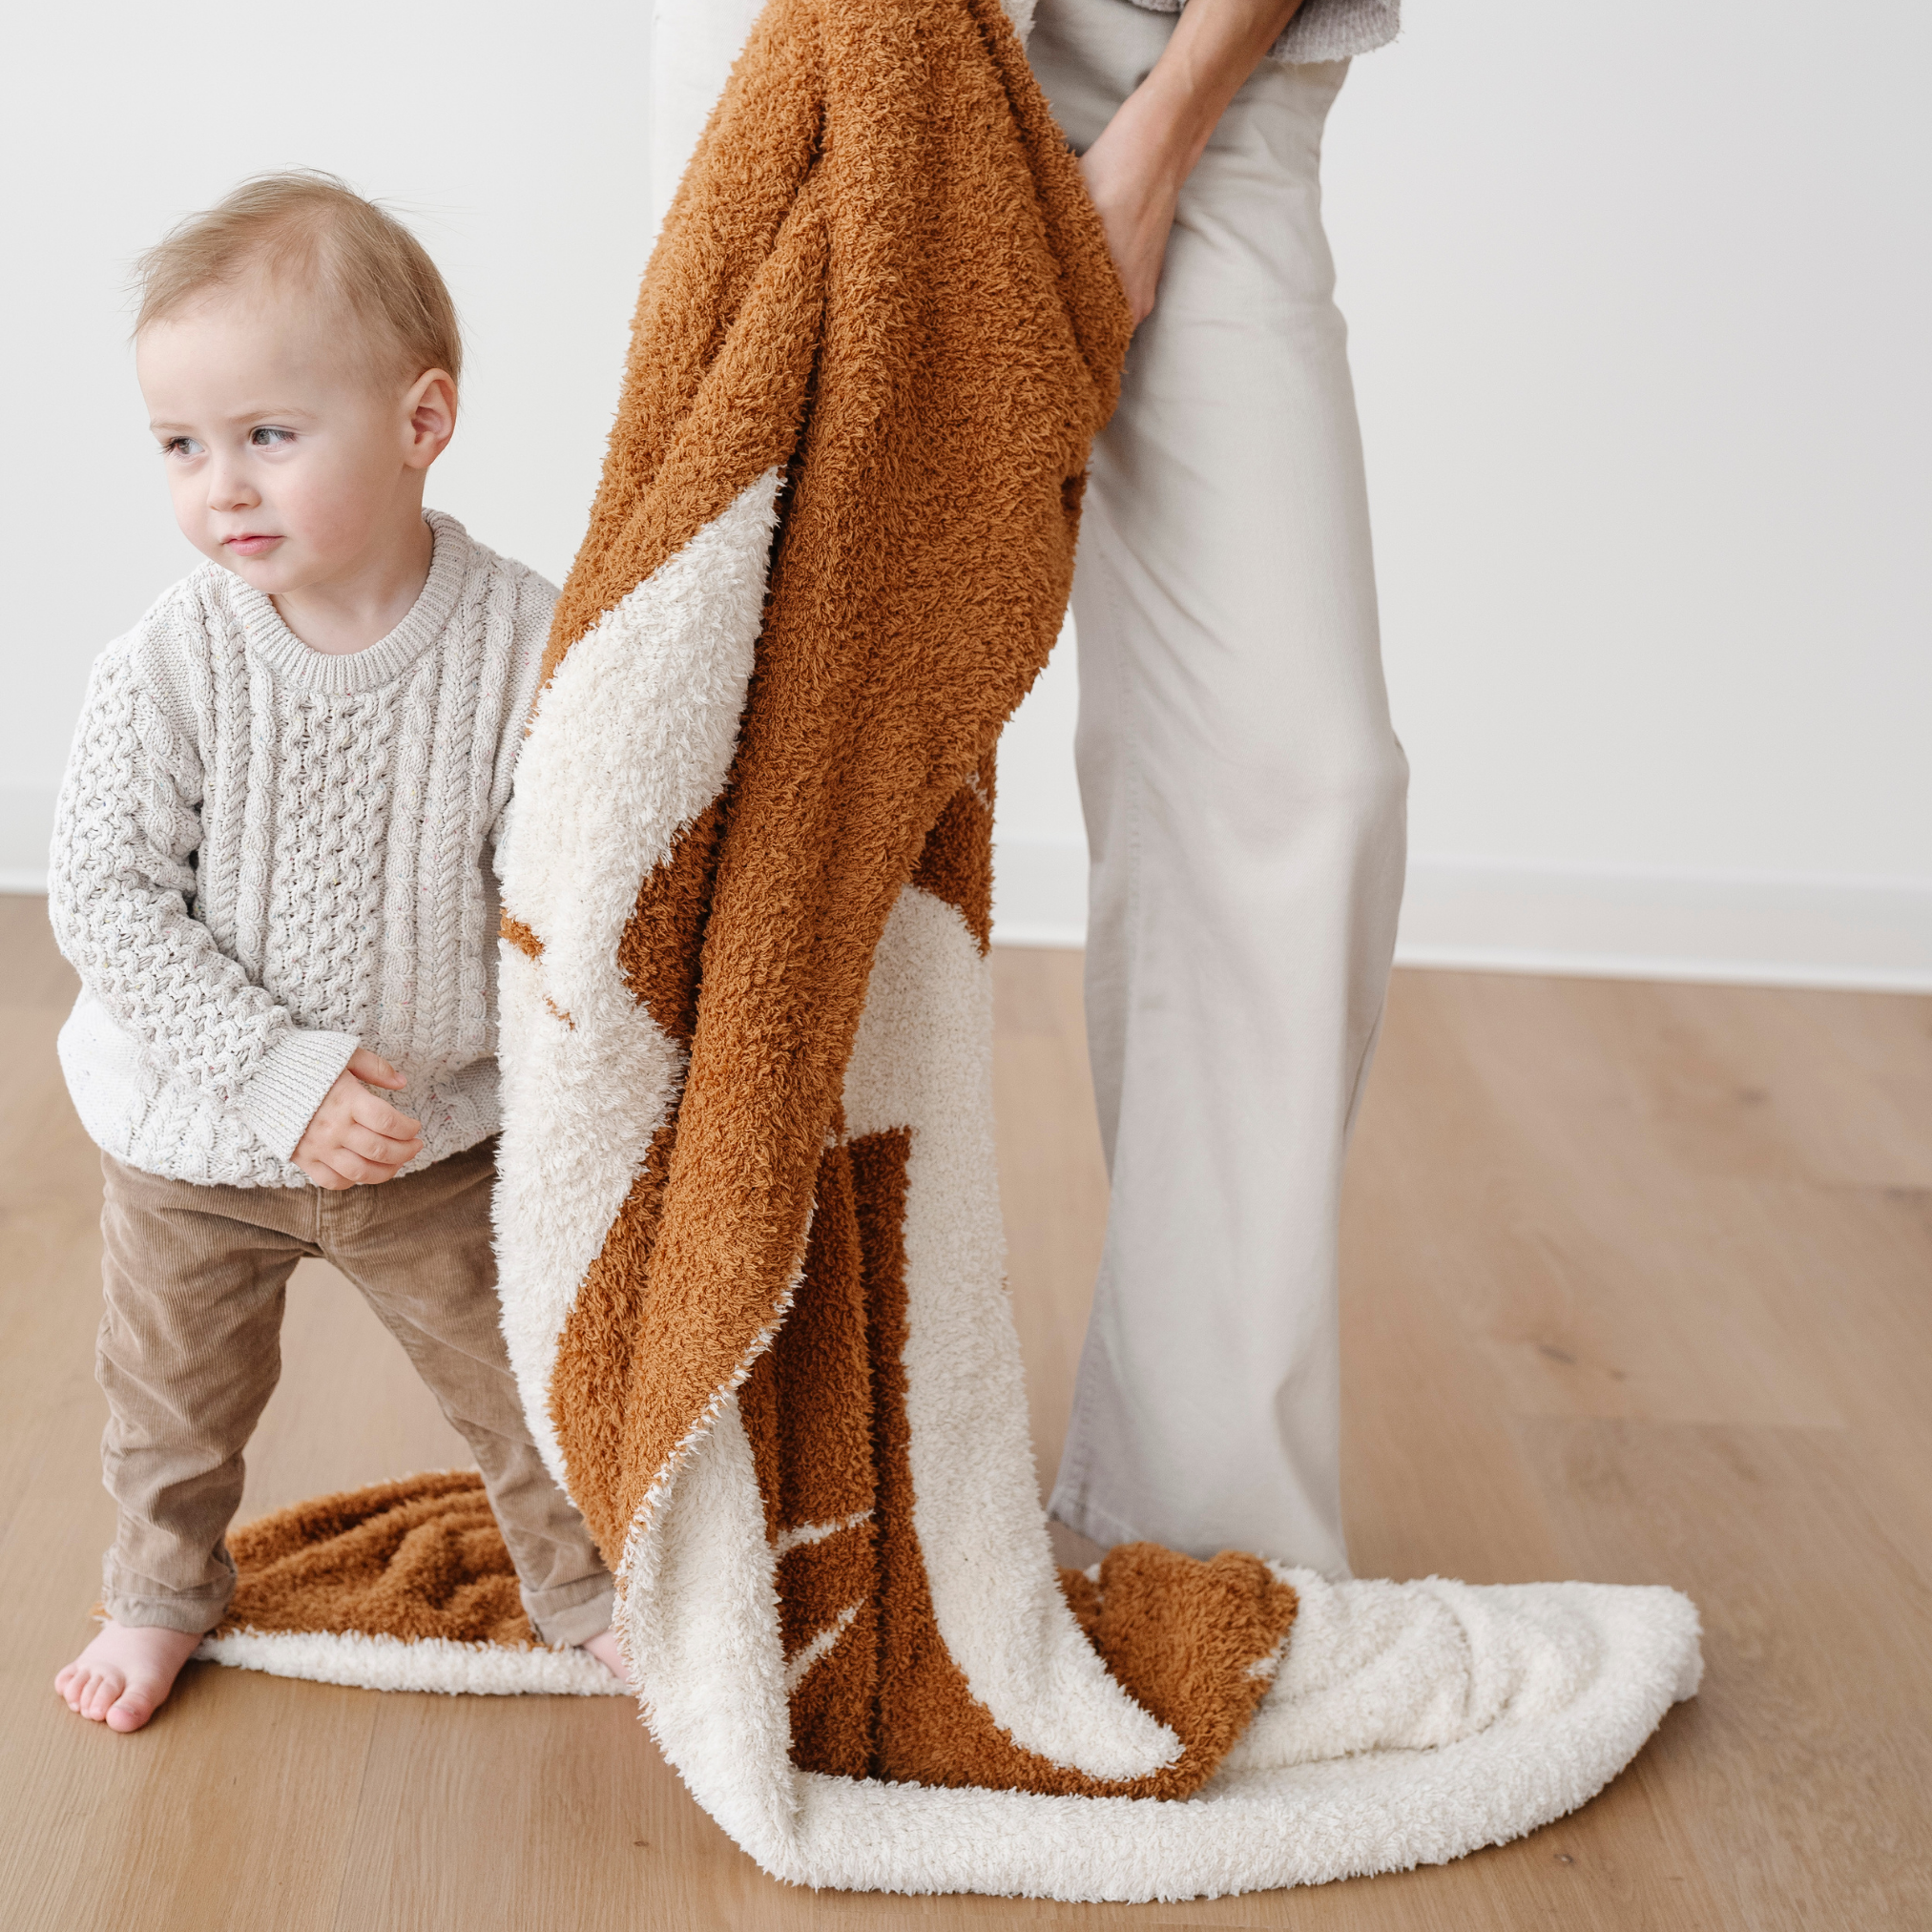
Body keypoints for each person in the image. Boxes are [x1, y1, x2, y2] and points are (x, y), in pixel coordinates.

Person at [48, 173, 626, 1734]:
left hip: (428, 1135)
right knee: (169, 1400)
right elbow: (103, 897)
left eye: (268, 434)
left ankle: (585, 1592)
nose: (220, 487)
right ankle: (160, 1590)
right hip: (193, 1137)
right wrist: (270, 1070)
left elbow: (559, 885)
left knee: (518, 1380)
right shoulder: (173, 660)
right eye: (182, 446)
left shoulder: (526, 645)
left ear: (422, 421)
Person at [1028, 0, 1408, 1578]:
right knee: (788, 734)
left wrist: (1158, 138)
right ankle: (763, 1488)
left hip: (1198, 66)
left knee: (1307, 777)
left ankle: (1197, 1533)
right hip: (838, 45)